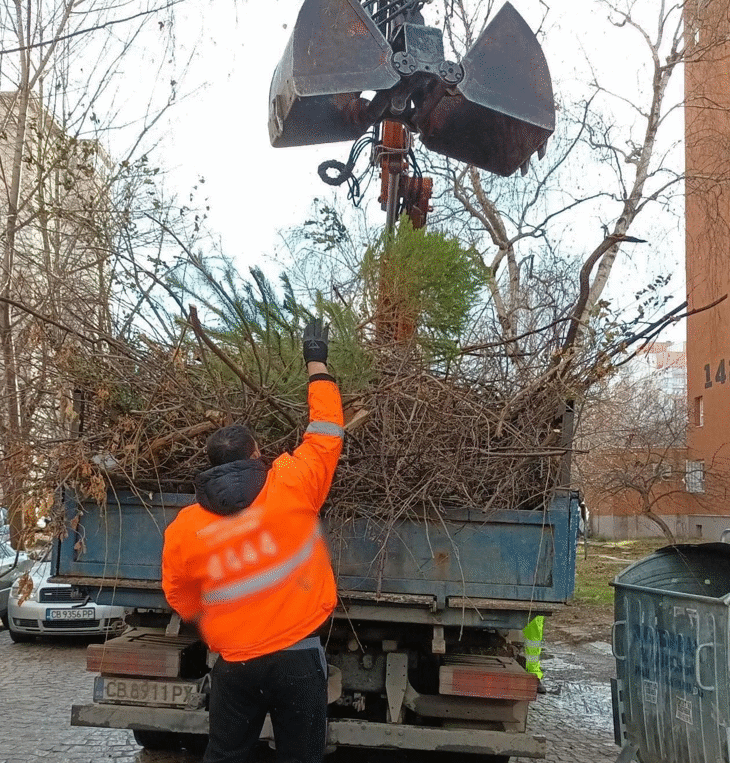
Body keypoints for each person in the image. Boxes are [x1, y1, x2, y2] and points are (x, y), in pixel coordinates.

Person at [162, 317, 344, 763]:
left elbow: (180, 598)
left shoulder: (185, 527)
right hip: (299, 657)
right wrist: (316, 364)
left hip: (235, 666)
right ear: (256, 453)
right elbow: (326, 432)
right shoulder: (292, 485)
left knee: (225, 756)